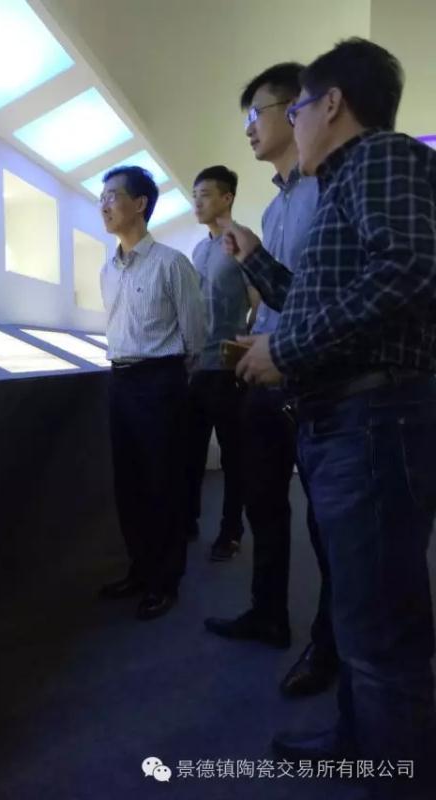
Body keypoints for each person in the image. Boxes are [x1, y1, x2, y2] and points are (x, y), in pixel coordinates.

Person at [227, 38, 436, 796]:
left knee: (380, 631)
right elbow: (320, 297)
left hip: (373, 418)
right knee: (359, 612)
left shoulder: (382, 156)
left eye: (298, 109)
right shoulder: (346, 181)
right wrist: (256, 260)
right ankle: (357, 741)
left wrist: (286, 350)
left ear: (332, 104)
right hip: (351, 420)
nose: (293, 123)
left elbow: (412, 267)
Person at [204, 63, 338, 697]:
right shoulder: (274, 204)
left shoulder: (328, 190)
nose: (249, 128)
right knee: (262, 499)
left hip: (311, 372)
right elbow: (279, 295)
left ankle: (330, 645)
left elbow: (320, 299)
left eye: (256, 113)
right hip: (265, 371)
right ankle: (268, 612)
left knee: (326, 520)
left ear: (297, 109)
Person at [98, 166, 207, 621]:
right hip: (120, 381)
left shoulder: (171, 264)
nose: (104, 204)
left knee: (163, 483)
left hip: (160, 382)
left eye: (113, 196)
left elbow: (195, 336)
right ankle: (140, 569)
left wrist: (169, 380)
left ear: (140, 203)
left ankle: (165, 581)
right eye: (102, 197)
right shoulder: (107, 269)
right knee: (129, 484)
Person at [187, 165, 258, 561]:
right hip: (197, 368)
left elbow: (258, 302)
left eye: (205, 195)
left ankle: (231, 530)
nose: (197, 203)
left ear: (227, 198)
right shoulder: (199, 250)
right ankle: (188, 520)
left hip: (229, 370)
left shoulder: (242, 242)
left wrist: (246, 348)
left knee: (234, 456)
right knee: (190, 452)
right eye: (194, 196)